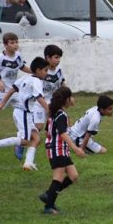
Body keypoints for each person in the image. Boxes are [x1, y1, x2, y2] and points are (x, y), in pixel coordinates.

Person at [0, 56, 49, 171]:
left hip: (22, 113)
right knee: (25, 141)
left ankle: (28, 163)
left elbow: (11, 90)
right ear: (38, 70)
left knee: (36, 138)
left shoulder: (25, 78)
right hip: (23, 113)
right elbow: (39, 97)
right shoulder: (37, 81)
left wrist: (1, 105)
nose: (47, 73)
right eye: (45, 70)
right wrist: (49, 110)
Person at [38, 86, 86, 215]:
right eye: (70, 98)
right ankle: (48, 207)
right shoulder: (61, 114)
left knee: (73, 176)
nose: (72, 100)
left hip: (60, 149)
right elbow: (63, 134)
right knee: (58, 177)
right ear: (65, 100)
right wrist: (76, 149)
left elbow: (48, 130)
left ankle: (49, 195)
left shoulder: (54, 113)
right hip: (57, 149)